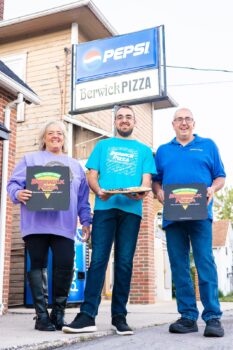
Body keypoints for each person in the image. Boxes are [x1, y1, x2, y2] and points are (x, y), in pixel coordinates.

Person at [62, 105, 156, 336]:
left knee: (124, 263)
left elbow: (146, 181)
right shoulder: (103, 146)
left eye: (128, 117)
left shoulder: (144, 150)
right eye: (120, 117)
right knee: (98, 261)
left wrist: (140, 193)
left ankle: (119, 317)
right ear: (115, 122)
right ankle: (87, 316)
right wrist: (99, 190)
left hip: (131, 212)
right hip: (105, 208)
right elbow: (91, 175)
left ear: (134, 122)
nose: (124, 121)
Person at [7, 121, 91, 332]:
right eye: (51, 133)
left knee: (64, 265)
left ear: (64, 138)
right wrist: (18, 193)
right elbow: (13, 185)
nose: (55, 136)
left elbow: (82, 199)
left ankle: (58, 314)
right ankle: (41, 315)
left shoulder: (75, 166)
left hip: (65, 225)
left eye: (59, 133)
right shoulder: (30, 160)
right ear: (43, 138)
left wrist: (87, 221)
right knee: (38, 265)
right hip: (35, 224)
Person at [152, 107, 226, 337]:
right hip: (173, 215)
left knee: (205, 262)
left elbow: (220, 176)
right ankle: (187, 317)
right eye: (179, 119)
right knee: (179, 264)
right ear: (173, 124)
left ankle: (213, 317)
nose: (183, 123)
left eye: (187, 119)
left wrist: (213, 188)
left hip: (201, 213)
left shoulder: (208, 145)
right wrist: (158, 192)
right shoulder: (163, 151)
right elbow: (156, 181)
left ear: (193, 123)